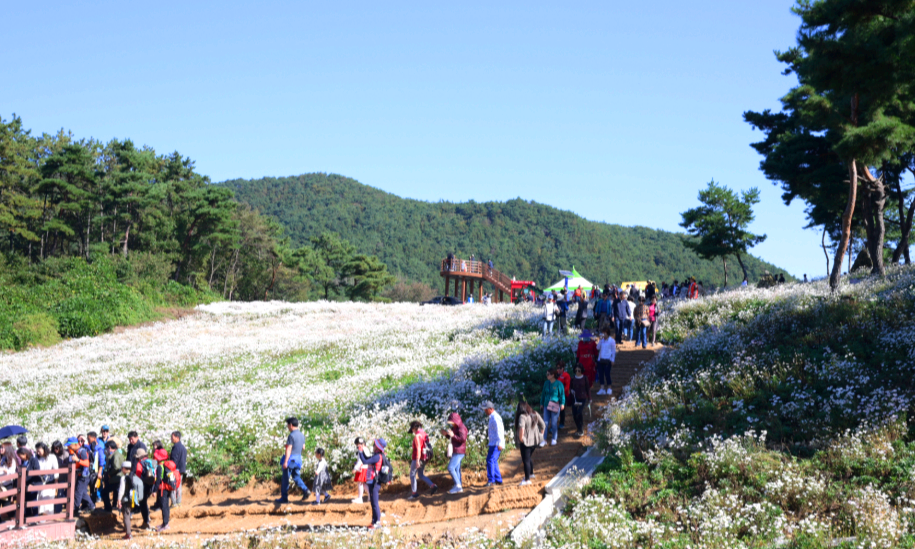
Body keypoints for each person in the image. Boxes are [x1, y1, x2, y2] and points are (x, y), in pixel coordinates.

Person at [276, 417, 310, 503]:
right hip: (298, 459)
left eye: (287, 425)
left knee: (285, 479)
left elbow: (289, 449)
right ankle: (306, 490)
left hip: (291, 460)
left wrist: (285, 462)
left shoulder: (291, 435)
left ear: (291, 425)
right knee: (296, 477)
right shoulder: (302, 435)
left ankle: (284, 498)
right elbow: (303, 447)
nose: (287, 427)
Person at [357, 438, 387, 529]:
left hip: (374, 482)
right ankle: (374, 521)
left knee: (374, 503)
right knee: (373, 503)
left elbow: (365, 461)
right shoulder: (377, 455)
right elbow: (366, 459)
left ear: (377, 447)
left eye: (374, 445)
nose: (373, 446)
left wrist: (361, 451)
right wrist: (361, 452)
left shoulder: (377, 456)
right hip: (372, 481)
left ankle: (377, 522)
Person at [514, 402, 544, 486]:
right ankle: (531, 473)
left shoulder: (522, 417)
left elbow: (521, 429)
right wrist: (540, 435)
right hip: (535, 442)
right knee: (528, 458)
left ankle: (527, 480)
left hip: (526, 442)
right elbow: (543, 426)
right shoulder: (535, 414)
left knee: (526, 460)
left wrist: (521, 439)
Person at [407, 421, 437, 500]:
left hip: (417, 458)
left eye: (412, 430)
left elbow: (419, 449)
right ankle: (432, 485)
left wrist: (417, 460)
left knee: (412, 475)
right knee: (420, 475)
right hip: (424, 457)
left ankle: (414, 493)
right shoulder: (424, 434)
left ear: (414, 428)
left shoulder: (417, 436)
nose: (412, 432)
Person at [67, 437, 95, 513]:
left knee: (78, 492)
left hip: (84, 476)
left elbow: (87, 463)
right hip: (82, 475)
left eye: (69, 446)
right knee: (82, 493)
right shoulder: (77, 451)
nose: (68, 447)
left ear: (75, 444)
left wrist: (77, 460)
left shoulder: (81, 451)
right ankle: (91, 506)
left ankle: (75, 509)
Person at [117, 460, 143, 540]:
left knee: (126, 516)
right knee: (127, 514)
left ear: (124, 468)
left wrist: (118, 500)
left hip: (126, 500)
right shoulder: (134, 476)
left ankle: (128, 534)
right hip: (133, 499)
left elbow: (121, 490)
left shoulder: (124, 478)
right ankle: (126, 529)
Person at [443, 412, 467, 494]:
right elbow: (454, 438)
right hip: (456, 450)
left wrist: (453, 435)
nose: (452, 424)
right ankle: (458, 485)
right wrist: (447, 435)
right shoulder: (456, 428)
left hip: (459, 451)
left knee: (450, 468)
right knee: (456, 469)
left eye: (452, 422)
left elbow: (462, 439)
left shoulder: (462, 428)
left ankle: (458, 485)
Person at [539, 370, 565, 446]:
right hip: (546, 404)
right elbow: (543, 394)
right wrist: (541, 403)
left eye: (548, 374)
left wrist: (562, 403)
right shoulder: (546, 383)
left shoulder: (559, 384)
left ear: (553, 375)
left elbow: (562, 394)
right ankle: (544, 439)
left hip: (555, 404)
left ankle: (554, 438)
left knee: (554, 423)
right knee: (545, 423)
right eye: (547, 374)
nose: (547, 376)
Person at [482, 401, 504, 486]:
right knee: (490, 460)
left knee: (491, 460)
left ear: (491, 409)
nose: (485, 411)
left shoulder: (495, 417)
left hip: (496, 443)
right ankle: (498, 479)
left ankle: (491, 481)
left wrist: (500, 443)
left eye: (486, 409)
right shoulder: (492, 417)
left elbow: (499, 430)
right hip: (493, 443)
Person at [35, 442, 59, 516]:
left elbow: (56, 469)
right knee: (40, 498)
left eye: (39, 451)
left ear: (44, 449)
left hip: (49, 480)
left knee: (48, 498)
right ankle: (41, 515)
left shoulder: (52, 457)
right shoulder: (37, 458)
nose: (38, 452)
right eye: (37, 451)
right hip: (39, 480)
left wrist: (56, 480)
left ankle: (48, 516)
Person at [17, 448, 41, 517]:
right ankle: (27, 516)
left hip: (33, 483)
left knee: (33, 500)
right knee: (26, 500)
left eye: (20, 455)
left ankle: (35, 517)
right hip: (25, 484)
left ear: (25, 454)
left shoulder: (33, 460)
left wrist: (32, 484)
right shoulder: (23, 461)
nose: (19, 457)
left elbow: (37, 471)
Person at [152, 449, 172, 531]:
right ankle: (165, 523)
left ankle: (166, 524)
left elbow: (158, 480)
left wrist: (154, 490)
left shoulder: (160, 467)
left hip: (162, 489)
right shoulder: (166, 464)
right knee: (166, 506)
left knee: (163, 506)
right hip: (167, 488)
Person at [102, 440, 125, 513]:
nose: (106, 450)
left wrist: (110, 474)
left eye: (107, 448)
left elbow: (116, 467)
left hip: (116, 478)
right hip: (118, 478)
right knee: (117, 492)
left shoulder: (115, 455)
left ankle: (108, 508)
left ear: (110, 447)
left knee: (104, 492)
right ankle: (114, 506)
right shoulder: (118, 454)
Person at [569, 365, 591, 437]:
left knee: (579, 412)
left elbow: (588, 388)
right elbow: (570, 387)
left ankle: (581, 429)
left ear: (581, 370)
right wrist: (571, 391)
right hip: (575, 398)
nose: (577, 372)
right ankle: (578, 428)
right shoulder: (573, 378)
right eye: (576, 370)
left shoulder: (584, 378)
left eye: (579, 370)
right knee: (574, 414)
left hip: (582, 398)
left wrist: (589, 398)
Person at [595, 327, 617, 396]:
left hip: (608, 360)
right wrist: (600, 340)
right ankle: (602, 388)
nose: (603, 334)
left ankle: (609, 387)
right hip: (600, 359)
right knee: (601, 374)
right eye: (602, 333)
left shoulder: (612, 341)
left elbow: (613, 351)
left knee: (607, 374)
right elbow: (597, 348)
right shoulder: (602, 340)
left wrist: (613, 360)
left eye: (604, 333)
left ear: (607, 333)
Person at [168, 432, 186, 508]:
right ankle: (178, 502)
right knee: (179, 486)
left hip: (175, 470)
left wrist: (170, 468)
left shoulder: (176, 447)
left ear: (177, 437)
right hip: (181, 470)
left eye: (172, 437)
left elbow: (174, 460)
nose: (171, 438)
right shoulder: (183, 447)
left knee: (173, 486)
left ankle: (173, 503)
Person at [87, 431, 105, 504]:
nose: (88, 440)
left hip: (96, 471)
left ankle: (92, 504)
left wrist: (100, 472)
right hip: (90, 471)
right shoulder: (91, 446)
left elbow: (102, 461)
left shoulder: (99, 448)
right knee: (91, 488)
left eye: (89, 438)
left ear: (94, 438)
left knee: (94, 488)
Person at [351, 437, 369, 503]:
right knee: (363, 483)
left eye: (357, 444)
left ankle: (360, 498)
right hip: (365, 467)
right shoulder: (366, 449)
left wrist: (355, 468)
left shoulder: (361, 450)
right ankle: (370, 496)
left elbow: (360, 461)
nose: (357, 446)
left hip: (362, 468)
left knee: (360, 483)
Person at [556, 363, 571, 430]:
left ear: (563, 368)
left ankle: (562, 423)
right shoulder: (555, 374)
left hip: (563, 395)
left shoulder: (566, 375)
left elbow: (567, 387)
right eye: (557, 368)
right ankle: (554, 425)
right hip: (555, 395)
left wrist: (561, 393)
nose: (558, 369)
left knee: (562, 410)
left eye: (560, 368)